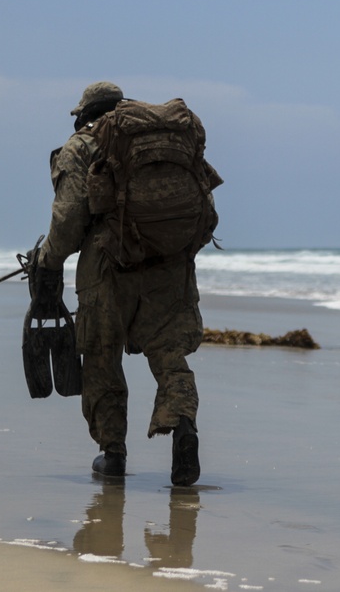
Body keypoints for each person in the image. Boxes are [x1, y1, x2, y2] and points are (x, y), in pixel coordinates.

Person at [36, 81, 209, 487]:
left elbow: (68, 220)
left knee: (101, 356)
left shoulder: (81, 145)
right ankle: (184, 426)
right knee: (170, 356)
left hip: (109, 265)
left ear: (84, 112)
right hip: (169, 263)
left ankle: (113, 454)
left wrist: (48, 262)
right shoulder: (165, 141)